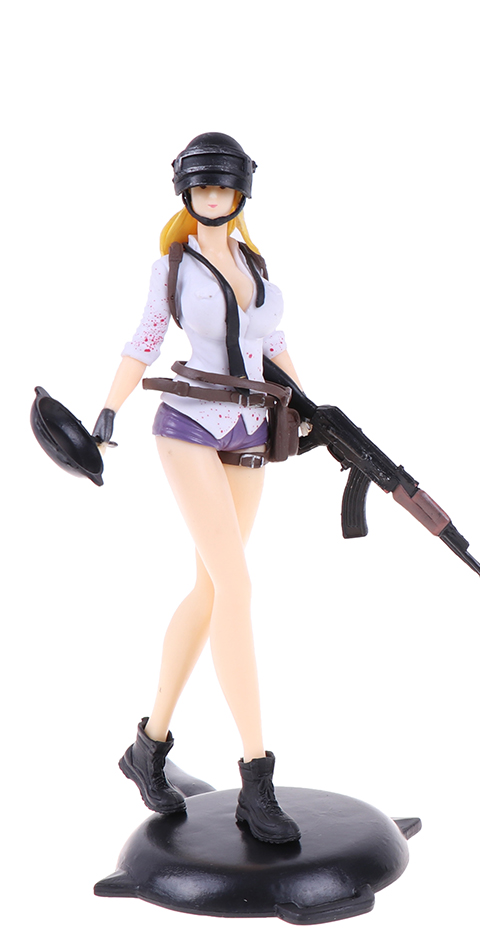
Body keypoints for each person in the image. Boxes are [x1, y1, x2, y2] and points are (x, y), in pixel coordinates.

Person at [96, 133, 303, 843]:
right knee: (237, 588)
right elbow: (145, 339)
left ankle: (147, 747)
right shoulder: (172, 267)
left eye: (223, 187)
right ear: (188, 193)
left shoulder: (255, 263)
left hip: (251, 432)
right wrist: (108, 409)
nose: (213, 197)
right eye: (202, 187)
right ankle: (256, 775)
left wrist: (313, 409)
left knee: (212, 591)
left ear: (240, 193)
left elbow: (273, 346)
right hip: (188, 425)